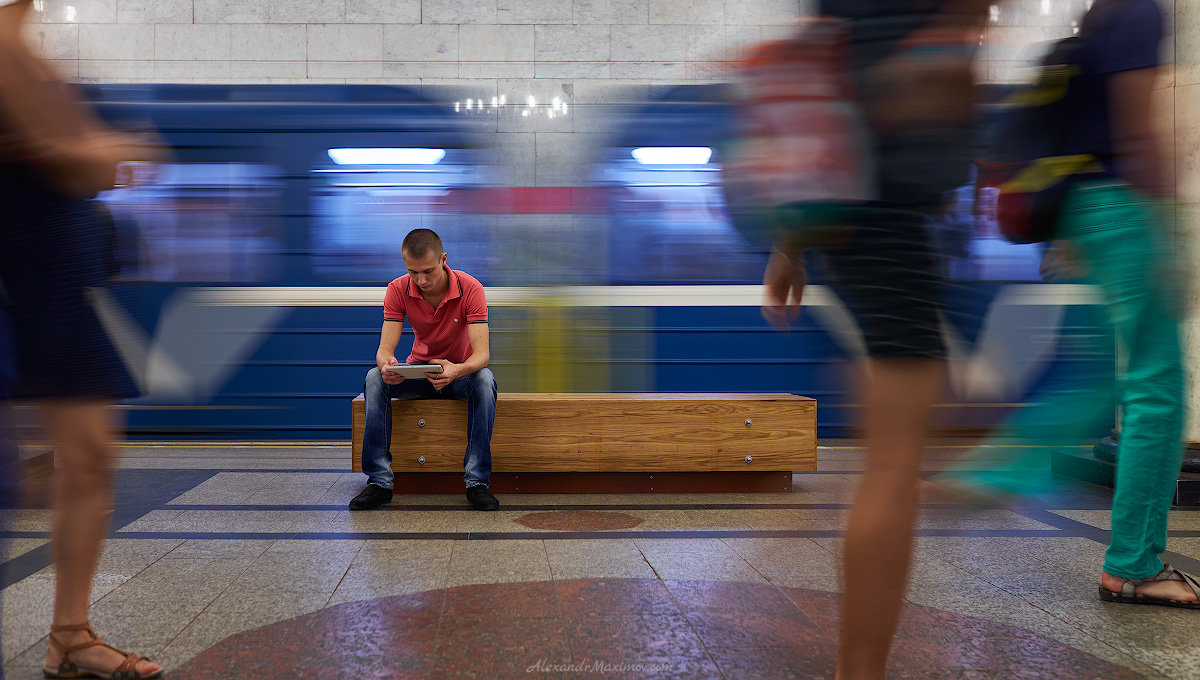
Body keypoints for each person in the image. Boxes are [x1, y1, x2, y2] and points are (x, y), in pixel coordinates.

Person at [935, 0, 1198, 609]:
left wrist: (1070, 232)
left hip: (1085, 215)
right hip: (1124, 213)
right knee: (1156, 390)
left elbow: (1075, 131)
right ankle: (1132, 565)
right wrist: (1167, 228)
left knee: (1105, 380)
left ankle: (992, 472)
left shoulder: (1099, 17)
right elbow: (1136, 128)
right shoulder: (1137, 12)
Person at [758, 2, 989, 678]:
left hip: (847, 220)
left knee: (894, 458)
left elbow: (820, 83)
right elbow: (928, 75)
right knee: (893, 467)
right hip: (896, 216)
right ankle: (860, 672)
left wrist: (790, 237)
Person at [0, 1, 163, 677]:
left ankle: (70, 634)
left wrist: (90, 152)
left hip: (51, 273)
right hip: (24, 266)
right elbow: (70, 157)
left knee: (91, 453)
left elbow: (74, 162)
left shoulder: (22, 47)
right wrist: (104, 147)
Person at [351, 228, 499, 511]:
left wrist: (456, 370)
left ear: (444, 259)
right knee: (373, 378)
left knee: (485, 380)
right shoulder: (397, 289)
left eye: (428, 271)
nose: (421, 281)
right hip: (419, 373)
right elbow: (384, 351)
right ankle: (379, 482)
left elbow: (482, 356)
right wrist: (388, 366)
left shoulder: (471, 289)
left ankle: (477, 482)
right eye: (413, 272)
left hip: (459, 375)